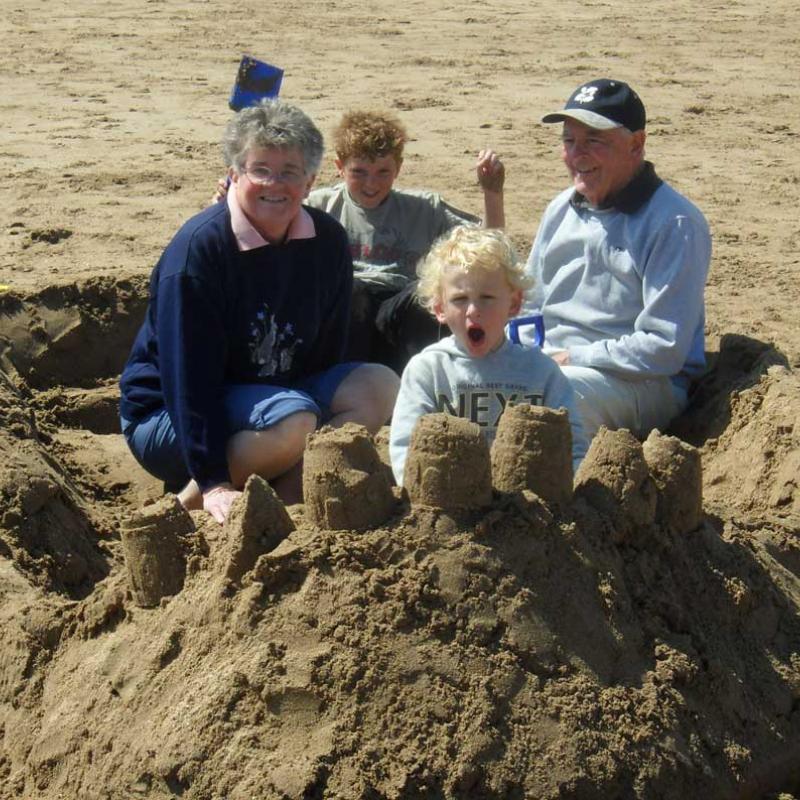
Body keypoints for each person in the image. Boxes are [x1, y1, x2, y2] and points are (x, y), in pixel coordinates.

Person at [120, 99, 399, 523]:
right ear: (234, 175)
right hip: (170, 415)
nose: (275, 183)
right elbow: (187, 377)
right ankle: (186, 509)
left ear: (310, 181)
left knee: (378, 385)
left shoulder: (327, 241)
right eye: (260, 170)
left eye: (290, 171)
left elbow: (328, 349)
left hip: (275, 399)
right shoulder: (200, 251)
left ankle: (286, 508)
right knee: (295, 420)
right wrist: (212, 478)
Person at [214, 109, 506, 372]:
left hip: (402, 308)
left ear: (398, 169)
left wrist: (492, 194)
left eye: (383, 172)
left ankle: (422, 382)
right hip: (345, 310)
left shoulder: (425, 208)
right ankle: (341, 379)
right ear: (340, 167)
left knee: (428, 294)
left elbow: (489, 251)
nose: (371, 184)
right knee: (353, 293)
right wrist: (228, 204)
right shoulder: (316, 205)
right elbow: (256, 233)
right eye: (359, 172)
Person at [520, 78, 711, 441]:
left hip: (642, 382)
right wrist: (520, 356)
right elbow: (529, 305)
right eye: (569, 141)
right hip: (554, 363)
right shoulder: (560, 208)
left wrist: (572, 357)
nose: (578, 155)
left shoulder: (675, 223)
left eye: (594, 141)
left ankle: (568, 495)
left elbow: (663, 349)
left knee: (555, 397)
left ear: (636, 144)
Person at [389, 226, 587, 486]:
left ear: (514, 304)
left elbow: (574, 447)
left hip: (528, 508)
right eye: (459, 299)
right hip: (451, 505)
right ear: (439, 308)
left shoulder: (540, 372)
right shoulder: (429, 370)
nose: (473, 310)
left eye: (487, 298)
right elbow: (405, 447)